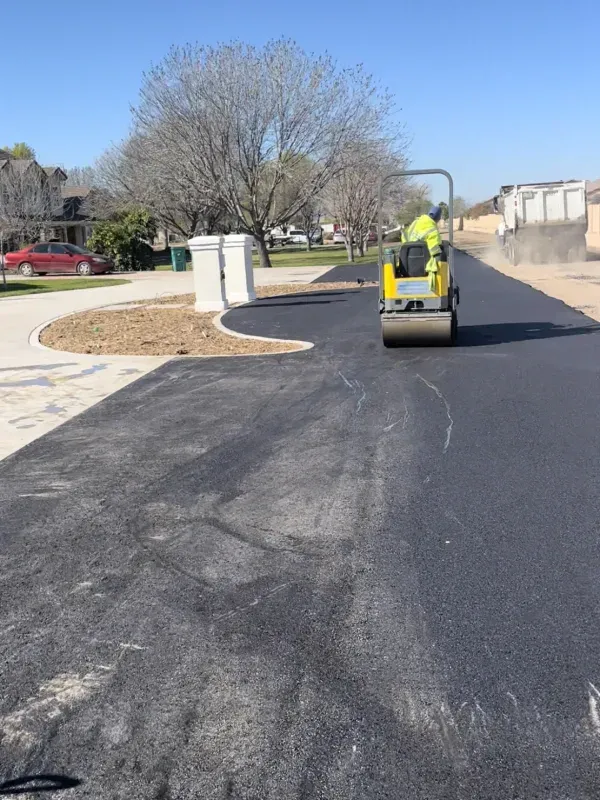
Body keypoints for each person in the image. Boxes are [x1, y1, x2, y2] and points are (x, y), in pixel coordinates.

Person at [402, 206, 444, 289]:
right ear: (438, 218)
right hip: (424, 269)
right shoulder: (433, 231)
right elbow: (435, 250)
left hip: (405, 265)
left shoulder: (415, 223)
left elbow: (404, 236)